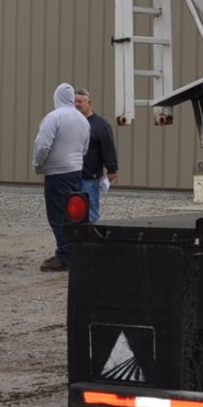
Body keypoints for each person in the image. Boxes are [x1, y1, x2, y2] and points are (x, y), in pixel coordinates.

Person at [33, 82, 90, 272]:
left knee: (57, 215)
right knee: (75, 215)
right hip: (76, 171)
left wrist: (38, 164)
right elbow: (84, 147)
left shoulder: (54, 117)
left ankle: (65, 255)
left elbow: (42, 145)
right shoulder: (82, 119)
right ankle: (76, 252)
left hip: (57, 173)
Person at [75, 88, 120, 222]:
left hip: (90, 177)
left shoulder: (100, 125)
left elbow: (108, 147)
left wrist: (112, 169)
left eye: (80, 101)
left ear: (89, 102)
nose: (77, 104)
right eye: (74, 102)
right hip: (72, 175)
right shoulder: (71, 123)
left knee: (91, 212)